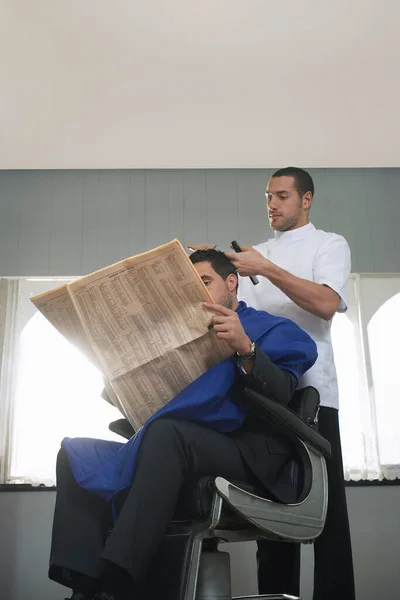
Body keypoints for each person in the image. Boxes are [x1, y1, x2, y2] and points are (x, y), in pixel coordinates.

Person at [49, 249, 317, 600]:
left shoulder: (273, 328)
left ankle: (119, 584)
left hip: (243, 450)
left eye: (205, 282)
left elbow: (283, 390)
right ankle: (85, 586)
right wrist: (121, 384)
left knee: (166, 434)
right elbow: (159, 407)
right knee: (75, 452)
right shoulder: (170, 340)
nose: (199, 291)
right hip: (177, 441)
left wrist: (246, 348)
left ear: (231, 282)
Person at [189, 166, 355, 600]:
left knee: (326, 514)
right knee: (274, 511)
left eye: (282, 195)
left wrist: (268, 268)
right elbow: (226, 301)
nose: (272, 204)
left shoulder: (329, 245)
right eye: (268, 196)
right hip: (263, 394)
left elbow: (325, 303)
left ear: (306, 199)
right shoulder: (252, 257)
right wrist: (215, 266)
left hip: (313, 394)